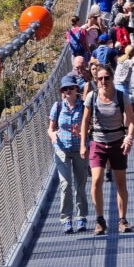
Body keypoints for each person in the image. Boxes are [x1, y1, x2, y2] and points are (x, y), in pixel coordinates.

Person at [80, 64, 134, 235]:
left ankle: (123, 220)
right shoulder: (92, 96)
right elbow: (85, 121)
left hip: (117, 142)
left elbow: (132, 120)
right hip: (98, 142)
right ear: (96, 80)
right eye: (100, 79)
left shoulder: (122, 96)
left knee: (120, 182)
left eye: (107, 78)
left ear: (112, 78)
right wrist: (83, 144)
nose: (104, 81)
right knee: (97, 180)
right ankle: (100, 220)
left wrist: (129, 137)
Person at [49, 76, 89, 233]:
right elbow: (50, 128)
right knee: (65, 185)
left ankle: (81, 218)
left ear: (76, 89)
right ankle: (66, 219)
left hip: (80, 149)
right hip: (62, 149)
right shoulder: (58, 106)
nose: (68, 92)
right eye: (65, 89)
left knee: (80, 185)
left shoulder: (85, 106)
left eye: (70, 88)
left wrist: (81, 132)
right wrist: (52, 136)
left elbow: (90, 127)